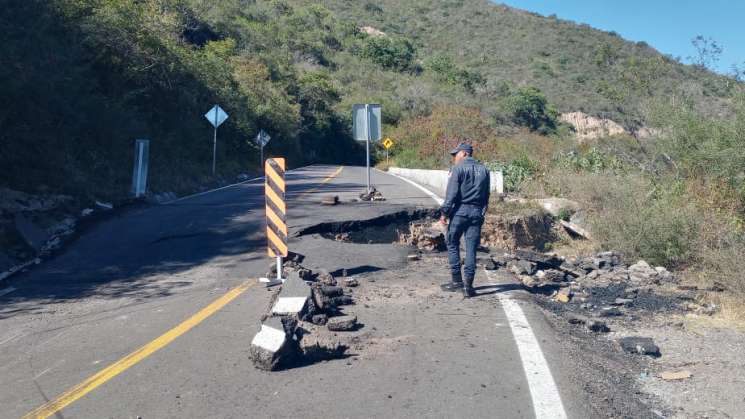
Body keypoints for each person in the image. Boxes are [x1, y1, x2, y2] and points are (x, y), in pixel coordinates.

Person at [439, 142, 490, 298]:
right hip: (476, 213)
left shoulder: (458, 169)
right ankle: (468, 287)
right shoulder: (485, 170)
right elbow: (487, 195)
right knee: (471, 248)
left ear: (465, 153)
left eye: (456, 154)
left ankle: (457, 282)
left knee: (452, 242)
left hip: (460, 211)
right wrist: (482, 212)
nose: (455, 158)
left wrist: (444, 214)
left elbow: (451, 195)